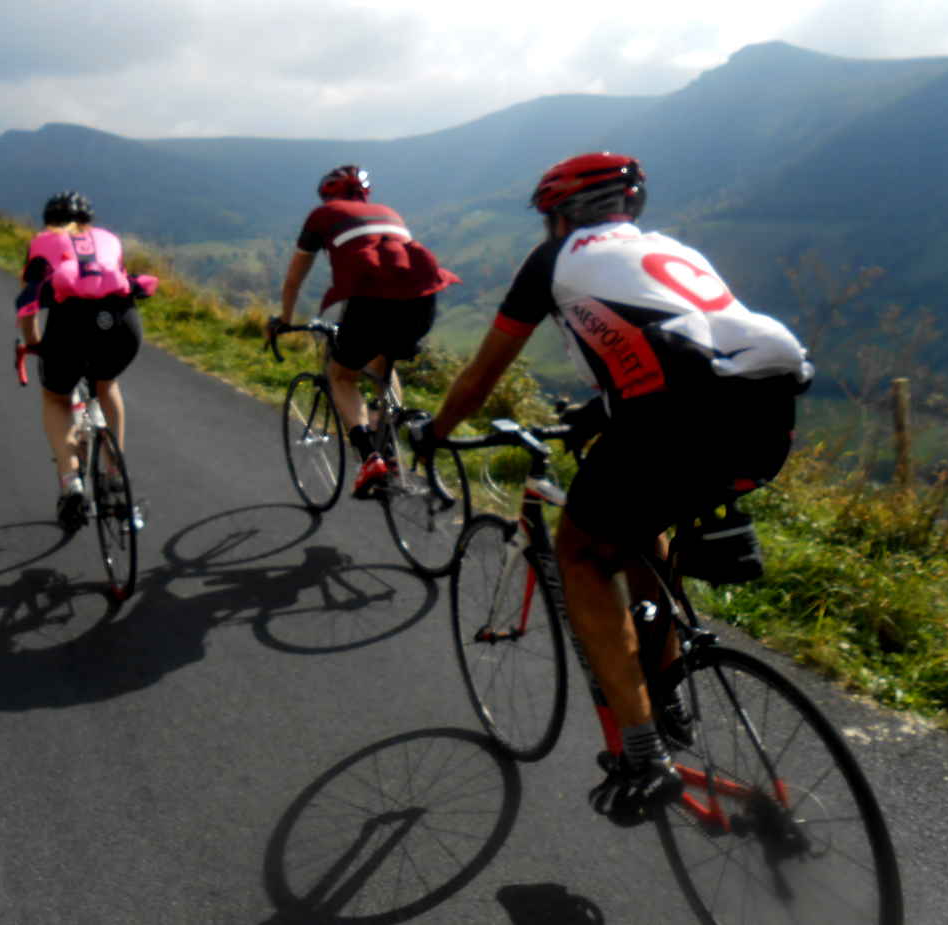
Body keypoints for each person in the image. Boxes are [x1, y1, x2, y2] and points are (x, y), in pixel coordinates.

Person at [412, 152, 812, 823]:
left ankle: (644, 757)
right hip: (768, 418)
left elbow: (481, 376)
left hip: (673, 424)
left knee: (581, 553)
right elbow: (679, 342)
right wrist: (600, 412)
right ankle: (669, 691)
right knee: (637, 531)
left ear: (560, 215)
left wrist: (434, 432)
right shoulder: (670, 250)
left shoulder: (555, 259)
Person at [267, 164, 459, 497]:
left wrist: (284, 318)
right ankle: (389, 442)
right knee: (384, 363)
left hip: (371, 300)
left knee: (341, 376)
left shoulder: (322, 215)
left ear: (328, 195)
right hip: (424, 299)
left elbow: (294, 279)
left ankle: (370, 456)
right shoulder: (388, 213)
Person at [16, 190, 152, 532]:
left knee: (55, 397)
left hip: (70, 325)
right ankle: (115, 472)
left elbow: (28, 304)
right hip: (123, 324)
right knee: (107, 384)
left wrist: (33, 343)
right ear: (89, 220)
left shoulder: (42, 242)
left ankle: (71, 482)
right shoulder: (109, 239)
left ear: (49, 220)